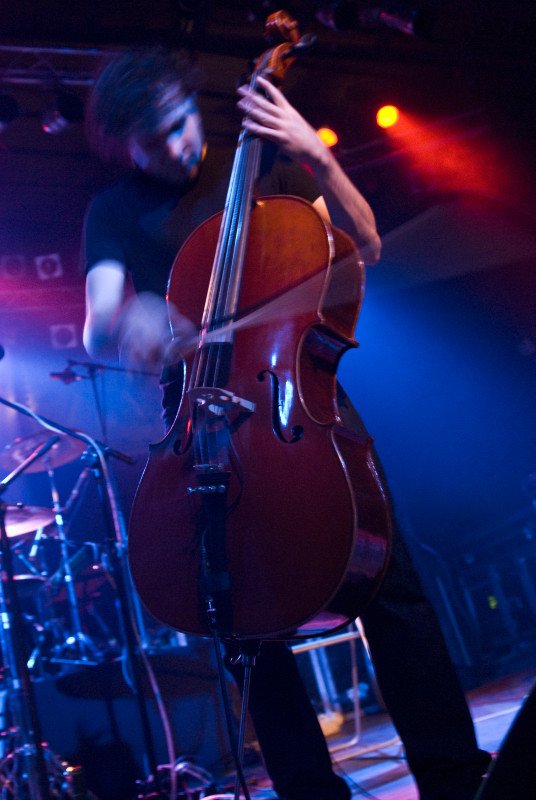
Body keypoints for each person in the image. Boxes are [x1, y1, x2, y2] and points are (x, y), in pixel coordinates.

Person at [82, 45, 490, 800]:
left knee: (388, 582)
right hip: (203, 429)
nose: (176, 147)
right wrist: (125, 319)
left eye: (178, 124)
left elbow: (362, 246)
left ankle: (454, 772)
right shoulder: (112, 212)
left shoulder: (263, 159)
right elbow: (98, 324)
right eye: (154, 141)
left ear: (188, 104)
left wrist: (316, 157)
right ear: (123, 147)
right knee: (241, 620)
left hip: (295, 401)